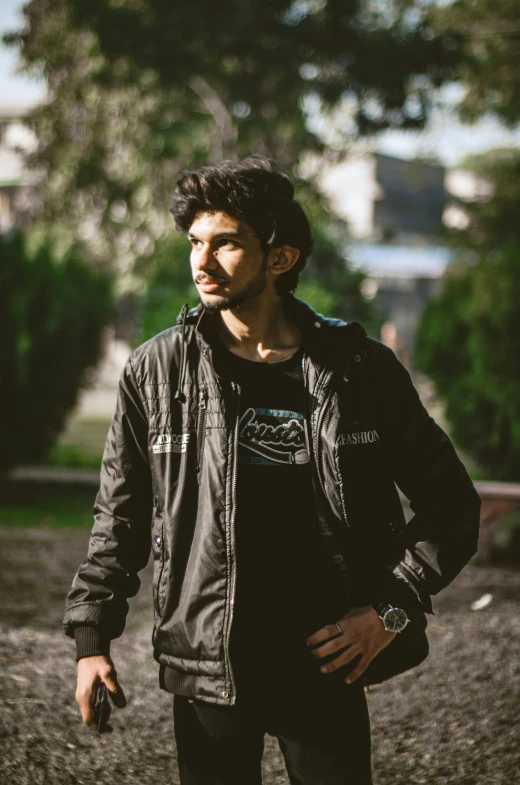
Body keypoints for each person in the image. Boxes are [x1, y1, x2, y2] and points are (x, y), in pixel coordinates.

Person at [65, 157, 480, 784]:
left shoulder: (359, 372)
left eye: (226, 243)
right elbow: (116, 521)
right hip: (209, 668)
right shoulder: (155, 374)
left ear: (279, 258)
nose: (201, 263)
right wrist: (91, 641)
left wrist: (388, 615)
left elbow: (451, 506)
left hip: (326, 665)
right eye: (195, 243)